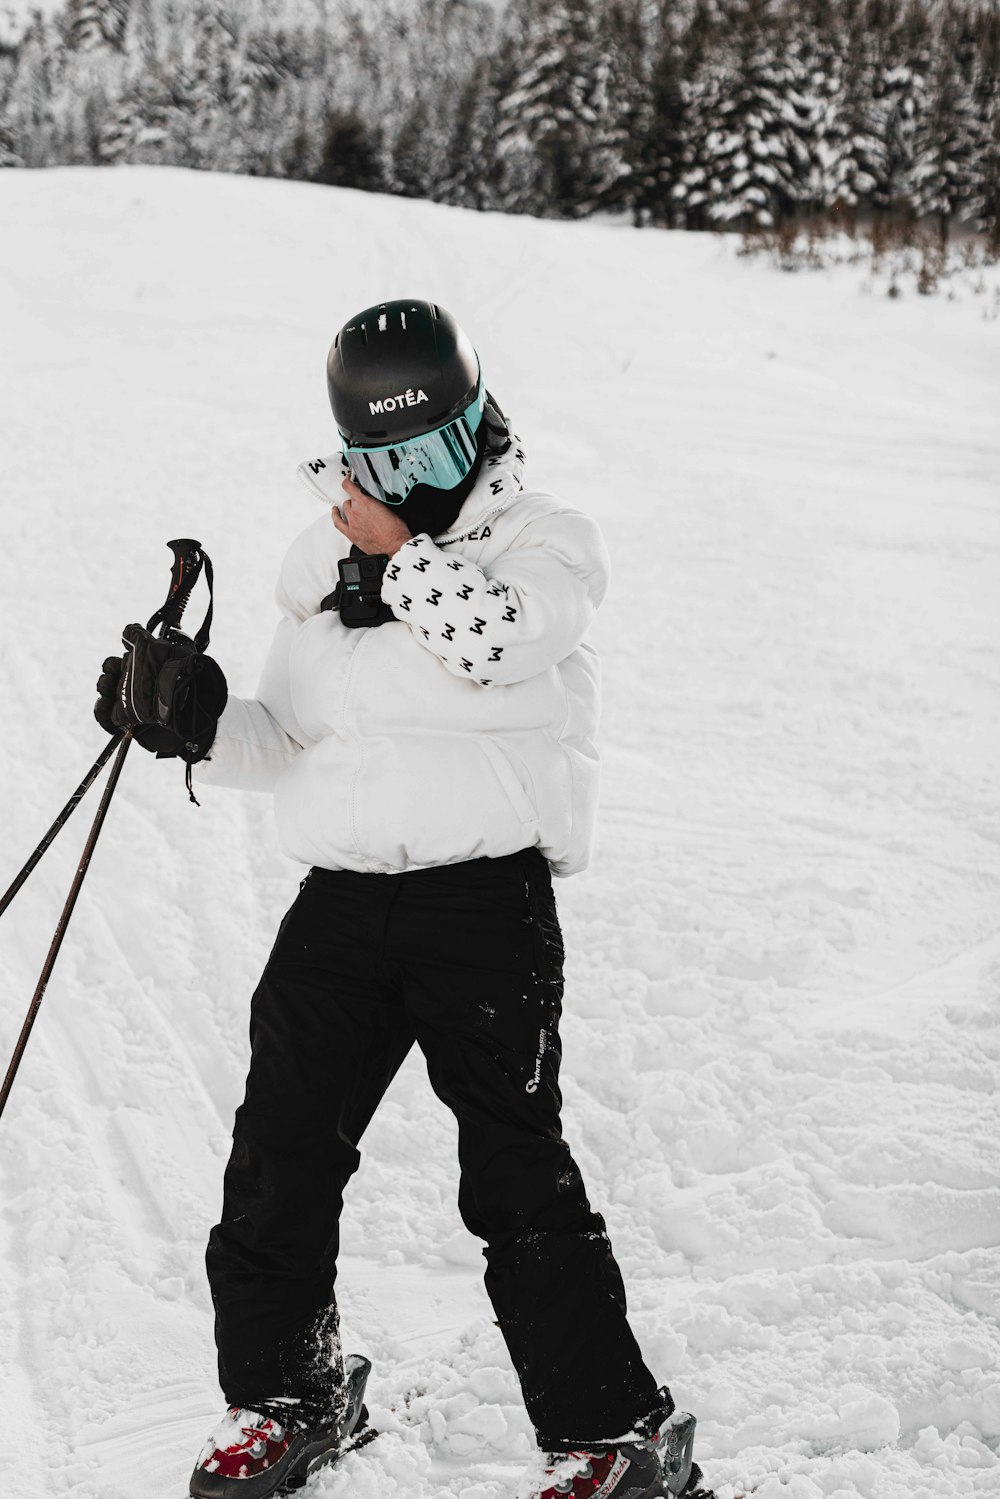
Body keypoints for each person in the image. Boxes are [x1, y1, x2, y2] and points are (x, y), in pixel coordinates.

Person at [95, 300, 707, 1499]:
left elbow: (497, 640)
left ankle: (614, 1431)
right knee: (278, 1153)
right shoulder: (320, 561)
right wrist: (195, 721)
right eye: (384, 460)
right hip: (341, 904)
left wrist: (389, 550)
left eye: (432, 451)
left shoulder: (546, 539)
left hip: (483, 906)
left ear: (477, 423)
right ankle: (286, 1392)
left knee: (512, 1172)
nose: (409, 482)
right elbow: (290, 742)